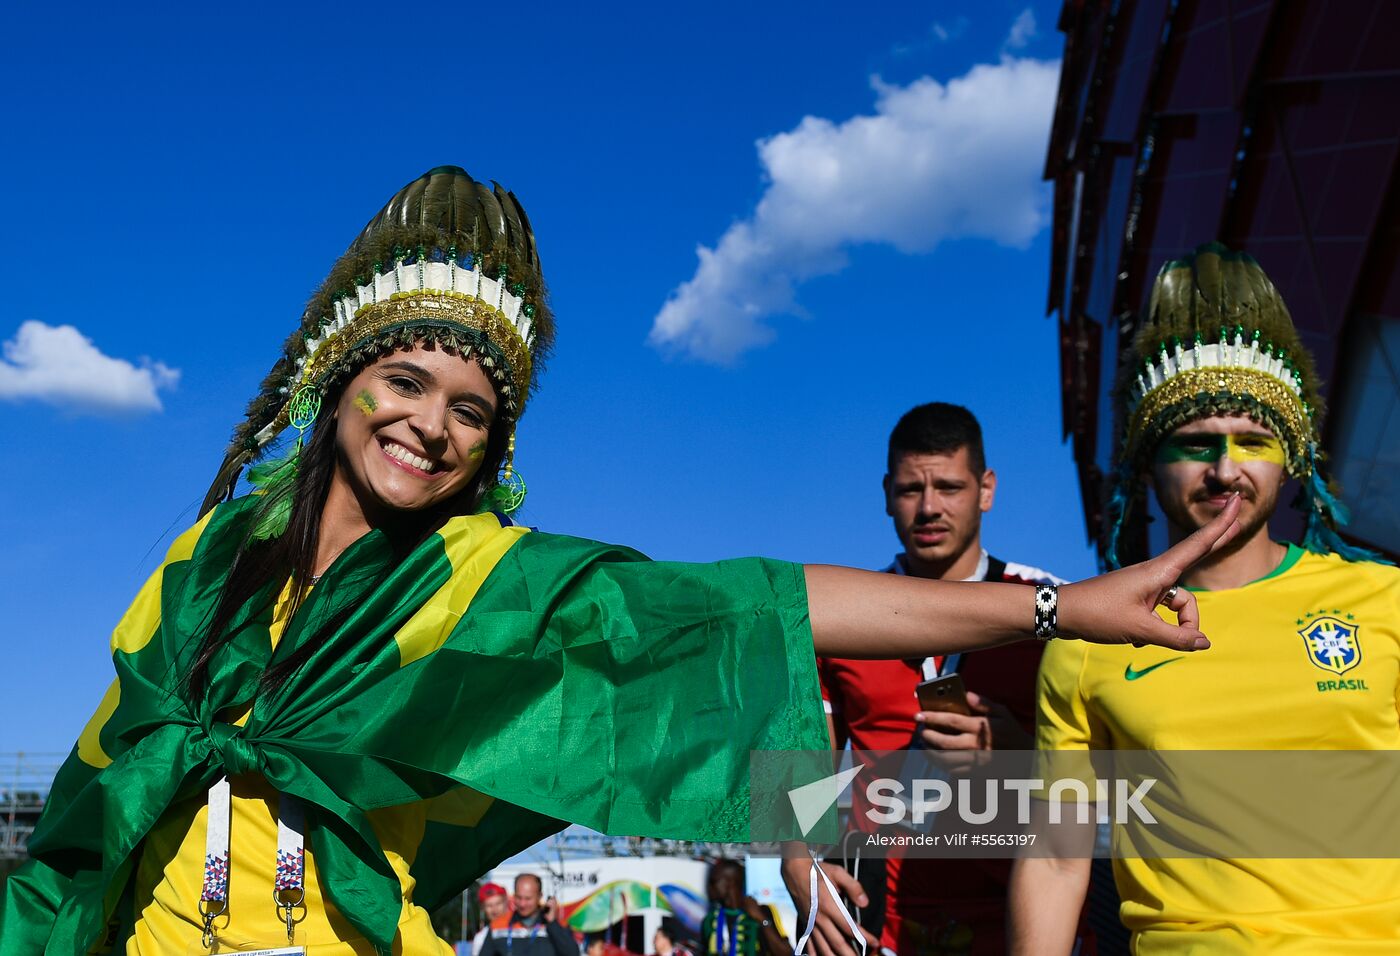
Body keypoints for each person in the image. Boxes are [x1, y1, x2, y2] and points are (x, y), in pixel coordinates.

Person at [0, 166, 1235, 956]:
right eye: (405, 379)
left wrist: (1053, 603)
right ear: (340, 379)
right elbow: (94, 797)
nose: (430, 423)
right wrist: (803, 836)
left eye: (471, 410)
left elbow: (727, 610)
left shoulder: (475, 582)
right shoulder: (205, 571)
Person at [1007, 243, 1400, 954]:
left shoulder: (1385, 601)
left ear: (1293, 459)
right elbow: (1059, 855)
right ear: (1147, 464)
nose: (1224, 470)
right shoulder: (1083, 639)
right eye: (1194, 443)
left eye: (1252, 439)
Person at [782, 402, 1082, 955]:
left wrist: (1020, 752)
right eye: (909, 490)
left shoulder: (1053, 612)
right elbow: (804, 757)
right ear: (886, 493)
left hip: (1021, 920)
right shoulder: (842, 615)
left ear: (986, 489)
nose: (928, 509)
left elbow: (1105, 777)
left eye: (948, 487)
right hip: (879, 924)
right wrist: (794, 856)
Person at [701, 860, 790, 956]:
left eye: (713, 882)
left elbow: (785, 952)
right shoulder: (710, 919)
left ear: (730, 883)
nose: (709, 887)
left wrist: (761, 919)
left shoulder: (762, 911)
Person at [478, 874, 575, 956]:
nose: (522, 904)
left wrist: (552, 923)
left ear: (539, 896)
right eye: (519, 897)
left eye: (528, 898)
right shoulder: (497, 926)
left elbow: (573, 953)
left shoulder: (557, 925)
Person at [472, 882, 512, 955]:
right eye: (489, 905)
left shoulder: (519, 929)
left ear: (506, 902)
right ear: (483, 908)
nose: (495, 910)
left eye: (498, 903)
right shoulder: (480, 938)